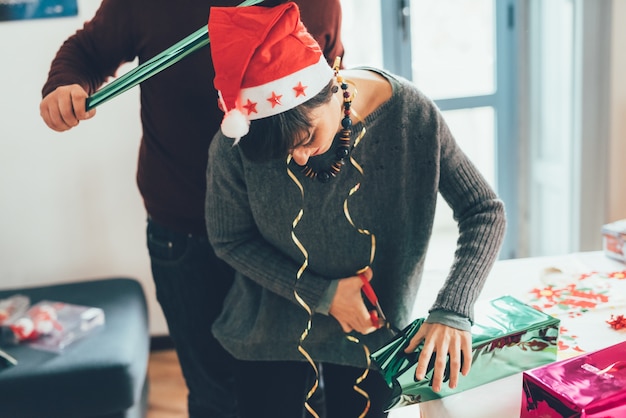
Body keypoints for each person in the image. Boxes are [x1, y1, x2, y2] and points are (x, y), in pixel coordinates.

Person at [38, 1, 344, 417]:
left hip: (284, 233)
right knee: (214, 395)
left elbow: (332, 84)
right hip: (185, 231)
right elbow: (87, 53)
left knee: (301, 389)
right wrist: (65, 85)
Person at [204, 2, 507, 417]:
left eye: (305, 137)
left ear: (329, 87)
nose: (298, 159)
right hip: (269, 334)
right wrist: (325, 296)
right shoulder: (235, 144)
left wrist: (453, 308)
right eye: (285, 151)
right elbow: (229, 239)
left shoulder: (410, 115)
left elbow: (484, 211)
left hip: (376, 337)